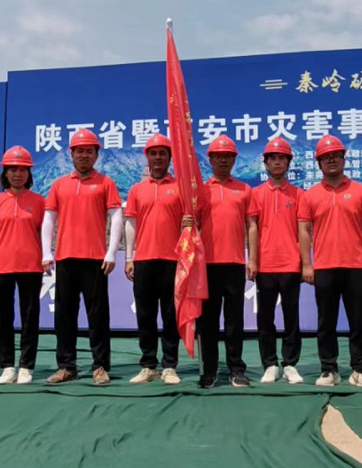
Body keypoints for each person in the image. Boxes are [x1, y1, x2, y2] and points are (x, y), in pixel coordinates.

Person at [42, 129, 123, 385]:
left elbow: (116, 217)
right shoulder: (59, 184)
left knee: (98, 315)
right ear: (72, 154)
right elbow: (49, 219)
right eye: (79, 151)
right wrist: (46, 252)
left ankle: (100, 366)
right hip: (65, 257)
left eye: (89, 151)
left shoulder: (106, 182)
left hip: (95, 259)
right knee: (64, 315)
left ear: (97, 155)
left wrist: (111, 251)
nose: (84, 155)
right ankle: (66, 366)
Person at [298, 135, 362, 387]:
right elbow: (304, 231)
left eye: (336, 156)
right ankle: (329, 369)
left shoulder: (361, 191)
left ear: (344, 159)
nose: (331, 161)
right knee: (326, 322)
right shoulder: (310, 195)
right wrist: (307, 264)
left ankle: (360, 369)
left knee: (359, 321)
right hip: (324, 266)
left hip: (355, 265)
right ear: (319, 163)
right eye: (326, 157)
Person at [124, 133, 191, 385]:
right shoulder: (137, 189)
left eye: (163, 153)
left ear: (170, 157)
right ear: (147, 157)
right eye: (153, 153)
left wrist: (189, 222)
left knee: (171, 316)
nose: (158, 157)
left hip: (173, 261)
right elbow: (131, 224)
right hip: (144, 260)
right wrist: (129, 257)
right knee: (145, 315)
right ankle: (148, 365)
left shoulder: (181, 188)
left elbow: (190, 222)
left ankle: (170, 366)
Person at [0, 145, 45, 384]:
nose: (18, 174)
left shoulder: (39, 201)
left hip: (31, 265)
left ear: (29, 173)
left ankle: (26, 365)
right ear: (5, 173)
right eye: (13, 169)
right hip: (1, 266)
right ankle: (7, 366)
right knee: (3, 317)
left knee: (30, 317)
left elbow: (42, 232)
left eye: (23, 170)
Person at [248, 137, 304, 384]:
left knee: (292, 316)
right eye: (273, 158)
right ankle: (270, 364)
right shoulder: (256, 193)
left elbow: (303, 231)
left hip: (291, 264)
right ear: (266, 163)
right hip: (265, 265)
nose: (278, 162)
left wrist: (304, 261)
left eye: (282, 158)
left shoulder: (299, 194)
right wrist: (253, 260)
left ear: (288, 162)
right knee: (265, 318)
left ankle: (290, 364)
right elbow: (252, 228)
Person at [197, 135, 252, 388]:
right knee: (207, 321)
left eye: (228, 156)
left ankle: (236, 369)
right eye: (218, 156)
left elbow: (252, 226)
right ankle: (209, 370)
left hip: (235, 263)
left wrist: (253, 259)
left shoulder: (244, 189)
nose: (223, 160)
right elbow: (191, 225)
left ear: (234, 160)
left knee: (234, 321)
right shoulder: (200, 190)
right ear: (210, 160)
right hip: (206, 265)